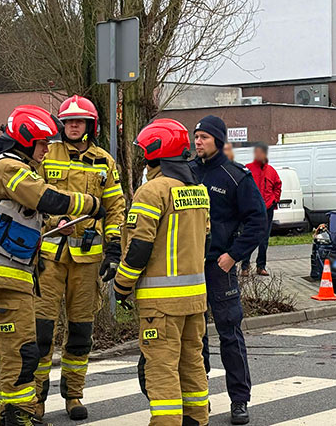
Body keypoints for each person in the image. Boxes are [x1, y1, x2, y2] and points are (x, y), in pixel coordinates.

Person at [0, 105, 104, 426]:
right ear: (25, 141)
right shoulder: (9, 168)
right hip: (5, 279)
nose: (47, 149)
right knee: (21, 352)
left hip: (18, 277)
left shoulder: (16, 165)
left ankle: (16, 415)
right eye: (42, 143)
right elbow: (44, 197)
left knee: (23, 351)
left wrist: (57, 221)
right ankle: (17, 416)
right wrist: (89, 204)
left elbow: (30, 212)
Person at [111, 119, 210, 426]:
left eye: (144, 149)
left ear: (155, 150)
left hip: (161, 303)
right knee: (192, 362)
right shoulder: (198, 191)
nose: (142, 155)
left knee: (161, 368)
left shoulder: (151, 192)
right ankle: (197, 420)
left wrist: (121, 286)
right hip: (195, 300)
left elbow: (140, 247)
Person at [34, 95, 126, 420]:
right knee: (42, 330)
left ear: (90, 125)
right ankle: (36, 400)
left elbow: (115, 207)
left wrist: (114, 246)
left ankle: (73, 395)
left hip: (87, 258)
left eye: (79, 121)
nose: (73, 125)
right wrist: (50, 220)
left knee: (80, 331)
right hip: (49, 254)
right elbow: (32, 197)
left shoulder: (104, 161)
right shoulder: (47, 154)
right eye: (69, 120)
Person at [190, 115, 266, 425]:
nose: (198, 142)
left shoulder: (235, 176)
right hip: (188, 269)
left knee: (230, 334)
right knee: (194, 336)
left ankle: (239, 400)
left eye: (204, 138)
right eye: (196, 137)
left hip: (219, 268)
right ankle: (198, 397)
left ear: (218, 141)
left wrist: (233, 255)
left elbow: (258, 220)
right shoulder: (187, 173)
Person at [241, 143, 281, 277]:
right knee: (248, 236)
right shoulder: (248, 169)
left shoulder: (271, 170)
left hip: (267, 209)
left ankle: (261, 266)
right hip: (251, 209)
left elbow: (277, 185)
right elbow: (241, 187)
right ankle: (245, 267)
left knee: (264, 240)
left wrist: (275, 199)